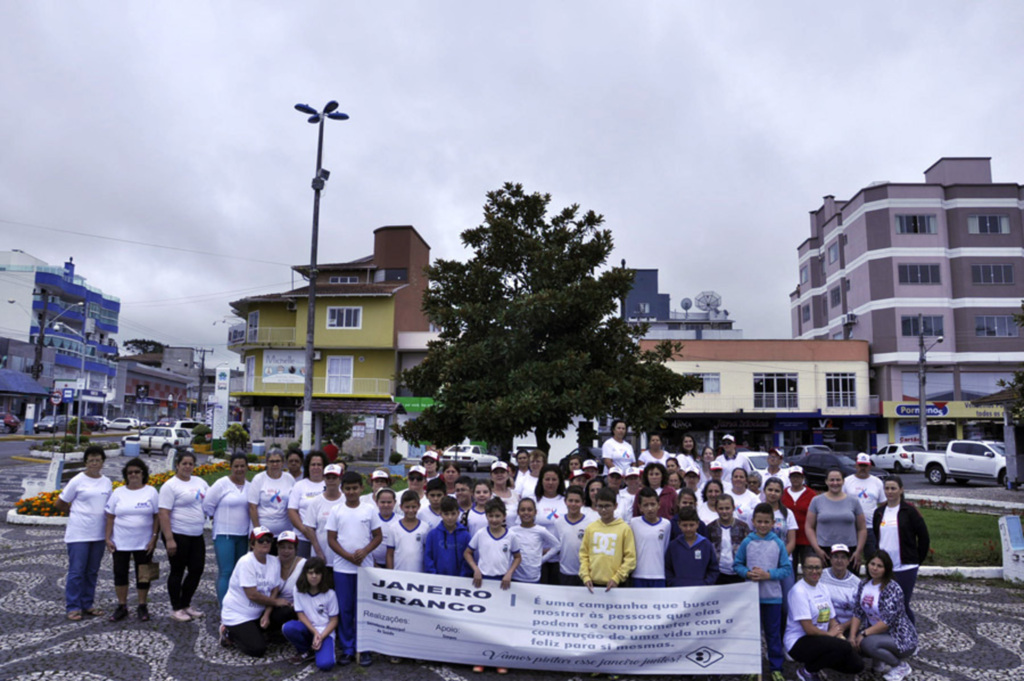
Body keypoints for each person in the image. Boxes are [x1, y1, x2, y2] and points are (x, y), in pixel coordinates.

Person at [326, 471, 382, 667]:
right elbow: (331, 539)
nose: (351, 492)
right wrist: (347, 556)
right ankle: (348, 649)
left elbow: (377, 536)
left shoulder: (369, 510)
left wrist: (365, 551)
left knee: (363, 610)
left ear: (362, 488)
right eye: (347, 488)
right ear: (342, 489)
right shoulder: (337, 511)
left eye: (355, 488)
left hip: (364, 569)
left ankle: (364, 648)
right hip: (342, 568)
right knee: (345, 610)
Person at [735, 503, 793, 681]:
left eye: (766, 522)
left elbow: (786, 569)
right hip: (752, 598)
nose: (762, 525)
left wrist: (768, 575)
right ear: (753, 521)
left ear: (773, 522)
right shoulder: (747, 542)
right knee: (752, 634)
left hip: (772, 597)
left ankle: (776, 667)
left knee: (773, 634)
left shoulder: (778, 543)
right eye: (759, 521)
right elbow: (737, 564)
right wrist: (747, 573)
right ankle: (752, 666)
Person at [55, 445, 112, 621]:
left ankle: (88, 604)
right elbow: (60, 504)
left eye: (98, 460)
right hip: (79, 533)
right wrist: (78, 513)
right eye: (91, 460)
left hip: (98, 534)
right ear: (86, 462)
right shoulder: (77, 480)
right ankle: (73, 606)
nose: (94, 463)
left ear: (103, 462)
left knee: (92, 571)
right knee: (77, 571)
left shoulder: (107, 482)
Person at [785, 554, 864, 681]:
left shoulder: (822, 588)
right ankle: (807, 671)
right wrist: (831, 636)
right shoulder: (798, 591)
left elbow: (832, 620)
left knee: (857, 665)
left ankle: (817, 665)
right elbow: (808, 629)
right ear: (803, 570)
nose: (814, 571)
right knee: (843, 647)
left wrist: (841, 637)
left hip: (822, 638)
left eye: (817, 567)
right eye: (810, 568)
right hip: (799, 641)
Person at [465, 498, 520, 674]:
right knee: (482, 624)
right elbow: (468, 552)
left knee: (501, 624)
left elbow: (518, 556)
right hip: (483, 583)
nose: (494, 519)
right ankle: (480, 659)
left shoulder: (511, 536)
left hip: (502, 584)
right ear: (486, 516)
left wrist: (509, 572)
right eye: (491, 516)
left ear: (504, 516)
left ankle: (500, 660)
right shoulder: (481, 534)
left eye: (497, 516)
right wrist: (476, 569)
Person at [219, 526, 291, 657]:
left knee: (287, 610)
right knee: (257, 650)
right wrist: (275, 602)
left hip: (259, 612)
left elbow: (275, 589)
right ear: (252, 544)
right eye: (261, 540)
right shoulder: (246, 562)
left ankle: (258, 631)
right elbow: (252, 595)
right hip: (239, 615)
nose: (265, 543)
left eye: (268, 540)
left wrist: (267, 614)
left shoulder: (274, 561)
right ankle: (228, 632)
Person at [104, 456, 159, 622]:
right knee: (120, 573)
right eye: (130, 472)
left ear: (143, 474)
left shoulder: (151, 492)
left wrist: (154, 538)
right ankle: (122, 606)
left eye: (137, 471)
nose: (133, 475)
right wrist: (107, 538)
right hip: (121, 542)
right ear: (125, 475)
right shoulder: (118, 493)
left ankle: (142, 605)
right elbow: (110, 517)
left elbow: (157, 516)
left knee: (144, 575)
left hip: (144, 543)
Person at [849, 550, 919, 681]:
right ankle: (880, 660)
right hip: (878, 634)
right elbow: (858, 612)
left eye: (879, 566)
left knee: (866, 643)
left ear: (886, 569)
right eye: (872, 564)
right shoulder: (863, 584)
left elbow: (887, 622)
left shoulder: (892, 588)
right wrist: (852, 636)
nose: (874, 568)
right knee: (852, 642)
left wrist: (863, 634)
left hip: (900, 637)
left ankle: (900, 666)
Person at [158, 451, 209, 622]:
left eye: (190, 464)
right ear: (177, 465)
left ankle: (186, 603)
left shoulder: (200, 482)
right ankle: (176, 607)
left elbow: (209, 502)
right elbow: (163, 513)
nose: (187, 467)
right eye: (184, 463)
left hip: (196, 534)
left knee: (196, 569)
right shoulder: (170, 486)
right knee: (177, 571)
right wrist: (169, 538)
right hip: (178, 534)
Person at [873, 475, 929, 624]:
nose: (890, 492)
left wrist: (916, 560)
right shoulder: (879, 512)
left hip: (906, 566)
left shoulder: (909, 511)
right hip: (884, 567)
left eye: (893, 488)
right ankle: (890, 635)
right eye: (887, 488)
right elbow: (876, 536)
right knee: (884, 604)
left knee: (902, 605)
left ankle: (910, 637)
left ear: (901, 490)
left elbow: (924, 538)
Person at [204, 452, 252, 604]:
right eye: (236, 466)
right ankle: (224, 608)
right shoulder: (222, 484)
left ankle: (236, 604)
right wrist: (215, 517)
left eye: (242, 466)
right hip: (224, 534)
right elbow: (207, 505)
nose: (239, 469)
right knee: (226, 572)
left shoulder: (250, 486)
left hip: (243, 535)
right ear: (231, 467)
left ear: (247, 467)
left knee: (239, 573)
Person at [282, 558, 339, 670]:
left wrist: (321, 636)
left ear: (323, 575)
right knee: (288, 628)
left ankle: (320, 648)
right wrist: (315, 632)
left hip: (325, 631)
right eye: (310, 572)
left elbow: (334, 620)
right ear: (305, 574)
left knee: (325, 665)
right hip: (308, 628)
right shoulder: (298, 590)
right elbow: (300, 614)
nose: (314, 576)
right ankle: (306, 650)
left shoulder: (330, 594)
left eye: (317, 573)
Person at [805, 469, 866, 568]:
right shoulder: (816, 501)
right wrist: (817, 549)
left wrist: (858, 551)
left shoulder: (853, 501)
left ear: (843, 481)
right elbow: (809, 527)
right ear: (826, 481)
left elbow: (862, 528)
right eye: (832, 480)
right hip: (824, 551)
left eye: (838, 480)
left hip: (849, 550)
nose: (835, 483)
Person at [579, 487, 636, 592]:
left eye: (607, 506)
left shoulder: (624, 529)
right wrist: (585, 576)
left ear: (615, 506)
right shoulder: (591, 528)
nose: (603, 510)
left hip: (616, 584)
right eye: (600, 506)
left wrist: (617, 578)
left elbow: (630, 558)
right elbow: (584, 555)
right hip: (592, 584)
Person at [248, 448, 296, 541]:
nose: (275, 464)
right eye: (272, 461)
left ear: (283, 463)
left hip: (285, 533)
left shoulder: (289, 479)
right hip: (264, 534)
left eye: (278, 461)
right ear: (267, 462)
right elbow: (252, 507)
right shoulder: (258, 479)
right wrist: (258, 532)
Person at [844, 453, 885, 559]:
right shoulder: (847, 481)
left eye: (865, 466)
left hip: (871, 527)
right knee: (850, 558)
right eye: (860, 465)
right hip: (851, 527)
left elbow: (883, 504)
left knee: (872, 558)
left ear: (870, 466)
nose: (863, 468)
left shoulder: (877, 482)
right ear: (856, 466)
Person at [552, 485, 595, 586]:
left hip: (585, 573)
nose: (573, 504)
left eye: (577, 501)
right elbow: (557, 546)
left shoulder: (590, 523)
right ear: (565, 502)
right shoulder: (558, 522)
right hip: (564, 571)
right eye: (570, 501)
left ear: (583, 503)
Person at [288, 451, 327, 558]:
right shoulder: (299, 486)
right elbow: (292, 511)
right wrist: (304, 530)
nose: (316, 467)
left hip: (324, 538)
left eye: (319, 465)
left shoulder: (330, 485)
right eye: (313, 464)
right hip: (303, 537)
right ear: (307, 467)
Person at [665, 507, 719, 586]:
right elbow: (667, 568)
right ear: (679, 525)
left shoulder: (706, 544)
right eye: (685, 525)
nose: (688, 529)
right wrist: (674, 583)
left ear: (698, 524)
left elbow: (713, 569)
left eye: (691, 525)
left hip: (700, 591)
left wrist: (705, 583)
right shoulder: (673, 545)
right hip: (678, 590)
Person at [509, 498, 559, 584]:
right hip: (515, 575)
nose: (526, 513)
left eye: (529, 510)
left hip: (533, 576)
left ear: (535, 512)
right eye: (522, 510)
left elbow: (557, 546)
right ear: (518, 512)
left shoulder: (541, 530)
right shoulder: (512, 531)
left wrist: (542, 560)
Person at [629, 487, 671, 588]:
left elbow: (664, 548)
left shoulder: (666, 524)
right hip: (638, 575)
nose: (650, 508)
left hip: (659, 575)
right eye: (646, 505)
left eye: (653, 504)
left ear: (659, 505)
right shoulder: (633, 523)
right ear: (640, 507)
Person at [302, 463, 345, 560]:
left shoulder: (346, 500)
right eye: (328, 477)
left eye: (334, 477)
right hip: (321, 557)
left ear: (340, 479)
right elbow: (309, 528)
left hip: (342, 557)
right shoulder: (316, 501)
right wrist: (318, 552)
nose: (331, 481)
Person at [424, 496, 473, 577]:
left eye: (453, 514)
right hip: (437, 579)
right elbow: (428, 558)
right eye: (446, 514)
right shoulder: (432, 535)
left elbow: (468, 559)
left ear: (458, 513)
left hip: (460, 580)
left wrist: (463, 576)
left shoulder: (465, 535)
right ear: (440, 514)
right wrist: (433, 575)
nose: (450, 517)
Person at [706, 494, 748, 585]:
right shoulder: (710, 528)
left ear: (733, 508)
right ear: (716, 509)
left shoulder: (743, 527)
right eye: (721, 508)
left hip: (739, 573)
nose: (724, 511)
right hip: (718, 574)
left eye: (727, 508)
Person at [819, 544, 860, 634]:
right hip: (823, 625)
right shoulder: (820, 576)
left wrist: (843, 627)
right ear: (830, 559)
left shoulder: (857, 583)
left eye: (843, 557)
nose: (839, 560)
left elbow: (859, 612)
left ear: (849, 561)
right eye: (836, 557)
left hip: (847, 627)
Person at [783, 466, 817, 567]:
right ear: (789, 478)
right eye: (793, 477)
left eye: (798, 476)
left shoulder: (811, 494)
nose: (796, 479)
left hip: (806, 538)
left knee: (807, 565)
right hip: (788, 538)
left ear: (803, 478)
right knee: (789, 566)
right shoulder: (783, 493)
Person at [386, 491, 428, 572]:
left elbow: (427, 553)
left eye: (414, 507)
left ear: (419, 506)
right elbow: (389, 554)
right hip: (399, 572)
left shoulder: (425, 527)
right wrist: (390, 573)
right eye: (407, 507)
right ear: (401, 507)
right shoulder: (393, 528)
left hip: (419, 573)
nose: (411, 510)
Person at [276, 530, 305, 620]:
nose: (286, 551)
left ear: (296, 550)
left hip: (296, 607)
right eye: (282, 547)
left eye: (290, 548)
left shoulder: (304, 564)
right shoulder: (271, 562)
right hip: (274, 605)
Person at [370, 488, 399, 568]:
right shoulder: (371, 520)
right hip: (374, 564)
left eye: (389, 502)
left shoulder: (400, 521)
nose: (386, 505)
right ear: (376, 502)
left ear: (395, 502)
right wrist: (373, 564)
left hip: (395, 564)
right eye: (382, 502)